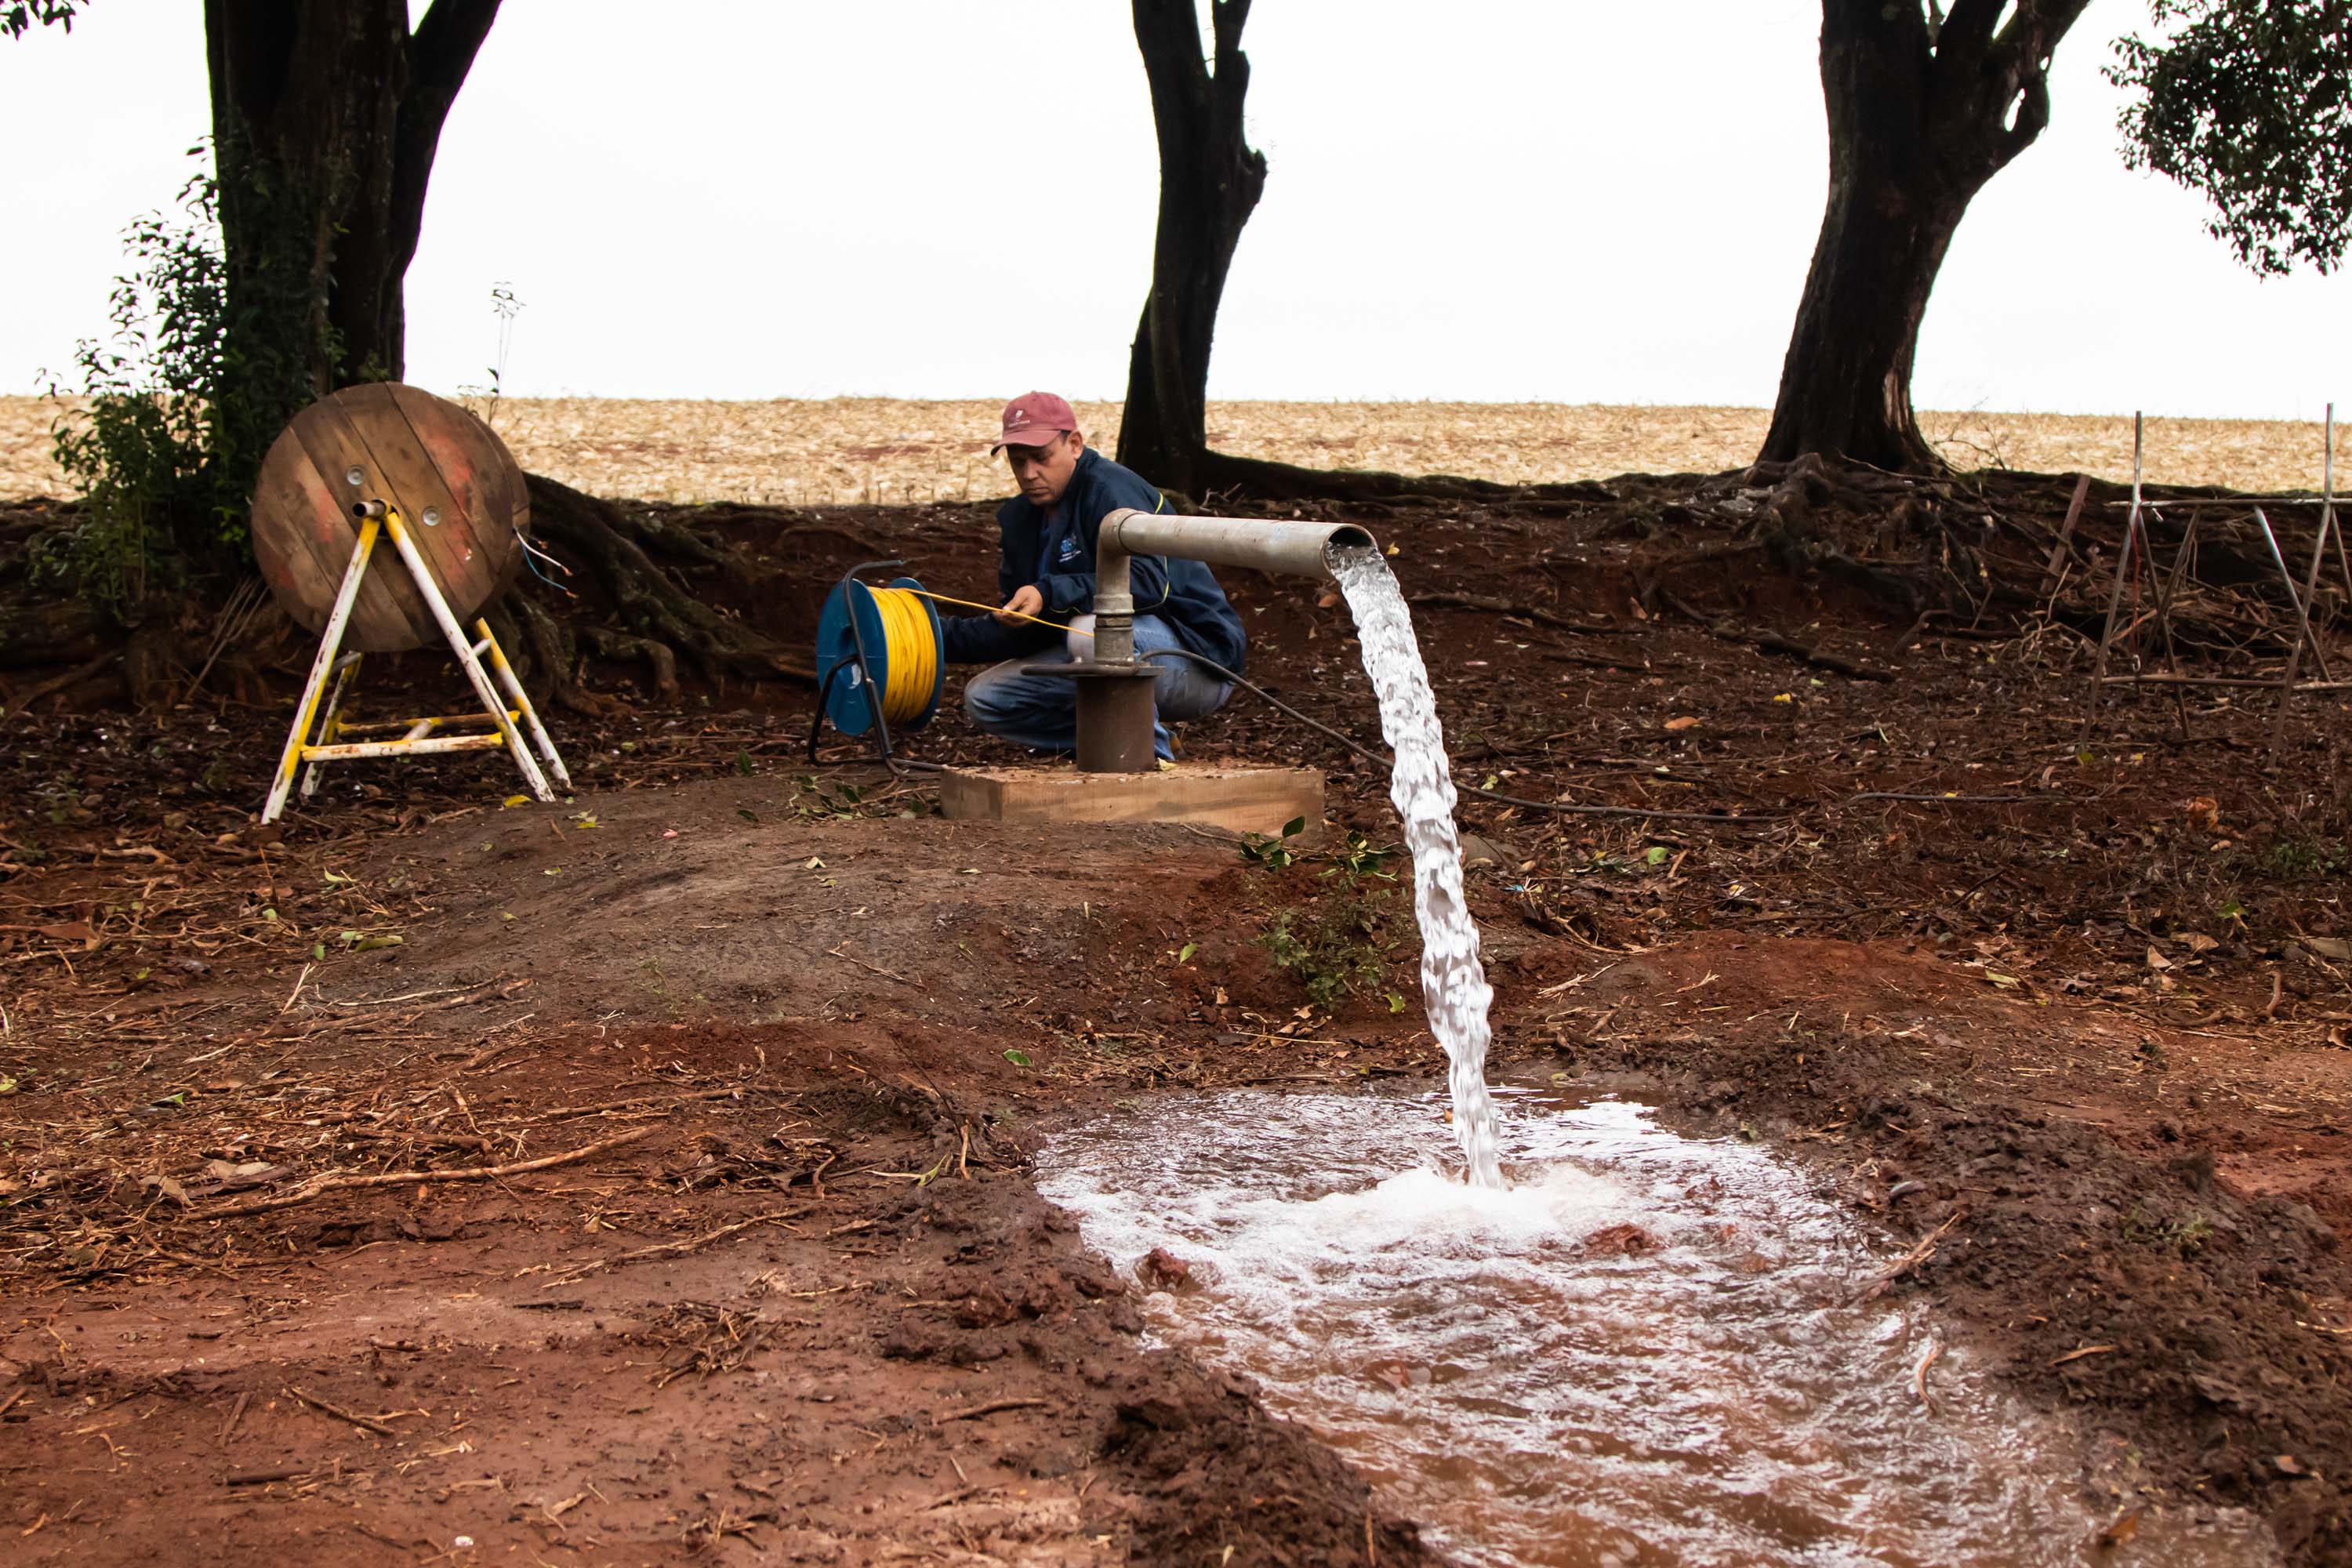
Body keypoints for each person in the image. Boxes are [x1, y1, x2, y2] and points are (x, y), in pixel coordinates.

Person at [938, 392, 1244, 760]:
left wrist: (1049, 591)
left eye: (1041, 458)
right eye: (1018, 462)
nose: (1029, 473)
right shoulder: (1021, 519)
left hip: (1196, 662)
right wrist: (932, 635)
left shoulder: (1111, 490)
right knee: (986, 698)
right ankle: (1119, 746)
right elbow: (1025, 630)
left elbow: (1150, 584)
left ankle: (1149, 765)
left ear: (1075, 444)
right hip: (1100, 652)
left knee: (1089, 630)